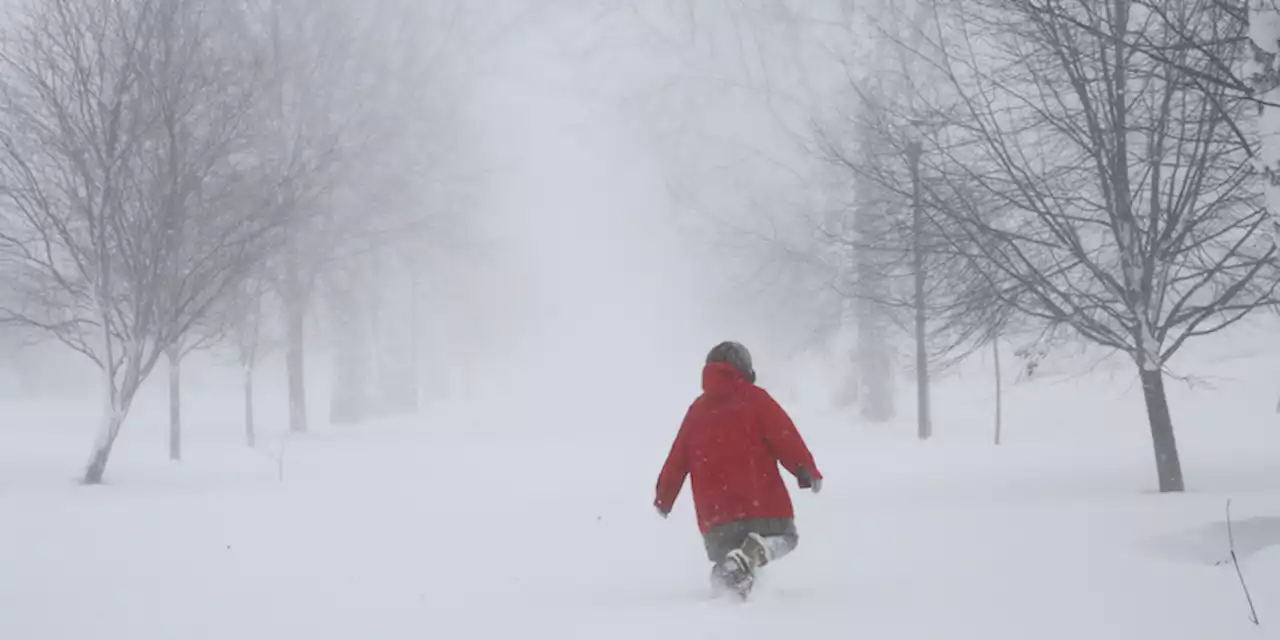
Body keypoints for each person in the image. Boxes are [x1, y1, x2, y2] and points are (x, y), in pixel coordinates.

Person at [653, 341, 823, 596]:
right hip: (761, 504)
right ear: (744, 367)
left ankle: (728, 593)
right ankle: (757, 552)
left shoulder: (697, 411)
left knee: (730, 559)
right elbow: (785, 436)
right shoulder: (755, 399)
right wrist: (806, 469)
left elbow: (676, 459)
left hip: (716, 516)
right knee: (785, 538)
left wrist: (664, 497)